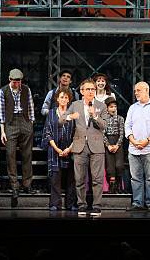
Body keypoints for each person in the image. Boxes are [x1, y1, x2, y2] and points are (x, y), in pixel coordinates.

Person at [59, 78, 107, 217]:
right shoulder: (75, 105)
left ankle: (97, 206)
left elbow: (104, 125)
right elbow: (61, 120)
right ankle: (82, 205)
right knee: (79, 178)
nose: (91, 91)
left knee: (97, 179)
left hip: (96, 146)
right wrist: (69, 117)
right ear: (82, 91)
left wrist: (94, 116)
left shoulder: (101, 106)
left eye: (92, 89)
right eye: (88, 89)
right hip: (79, 146)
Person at [125, 81, 150, 212]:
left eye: (138, 90)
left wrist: (147, 140)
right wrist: (133, 140)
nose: (136, 93)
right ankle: (137, 203)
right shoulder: (132, 108)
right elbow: (127, 126)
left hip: (149, 148)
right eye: (135, 91)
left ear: (146, 90)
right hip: (133, 148)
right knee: (135, 178)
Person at [0, 68, 35, 207]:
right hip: (10, 122)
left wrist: (31, 123)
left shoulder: (26, 89)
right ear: (9, 79)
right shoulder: (4, 91)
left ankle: (27, 184)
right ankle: (14, 186)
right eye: (14, 81)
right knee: (10, 155)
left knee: (27, 154)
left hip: (25, 121)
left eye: (19, 81)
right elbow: (2, 112)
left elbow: (31, 107)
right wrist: (2, 130)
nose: (17, 84)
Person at [41, 88, 77, 211]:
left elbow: (77, 133)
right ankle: (55, 204)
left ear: (69, 100)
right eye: (61, 97)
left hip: (70, 149)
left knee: (71, 178)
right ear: (57, 99)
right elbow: (47, 132)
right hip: (54, 150)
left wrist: (69, 148)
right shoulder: (51, 113)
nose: (63, 99)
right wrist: (56, 149)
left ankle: (71, 204)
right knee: (55, 178)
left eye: (66, 97)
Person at [103, 97, 125, 194]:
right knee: (110, 167)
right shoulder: (104, 119)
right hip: (108, 142)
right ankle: (112, 186)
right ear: (107, 108)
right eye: (111, 107)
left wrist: (117, 145)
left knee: (119, 165)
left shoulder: (120, 118)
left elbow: (122, 133)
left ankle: (119, 185)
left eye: (115, 107)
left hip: (117, 143)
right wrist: (108, 145)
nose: (113, 109)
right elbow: (103, 134)